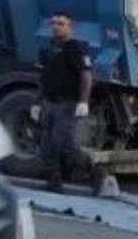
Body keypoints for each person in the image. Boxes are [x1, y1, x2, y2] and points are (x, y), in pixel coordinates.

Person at [31, 11, 107, 195]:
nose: (56, 26)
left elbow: (86, 76)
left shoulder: (75, 48)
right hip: (50, 103)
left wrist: (83, 101)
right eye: (54, 23)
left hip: (68, 104)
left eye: (61, 23)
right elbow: (45, 78)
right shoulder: (49, 49)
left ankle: (97, 174)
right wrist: (37, 102)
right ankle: (54, 183)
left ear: (70, 27)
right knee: (47, 146)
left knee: (67, 145)